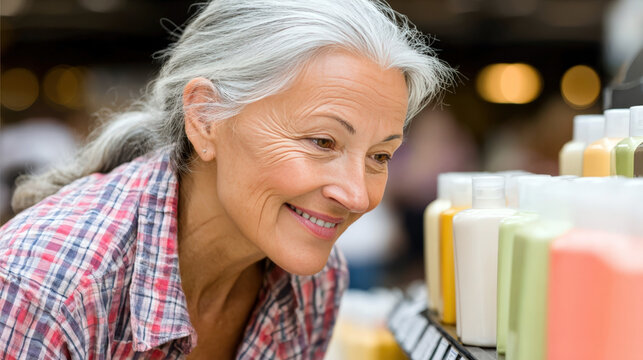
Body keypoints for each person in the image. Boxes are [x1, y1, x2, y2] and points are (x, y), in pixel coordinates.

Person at [0, 0, 453, 358]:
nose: (356, 194)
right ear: (205, 117)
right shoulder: (47, 291)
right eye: (322, 141)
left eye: (380, 156)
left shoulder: (314, 280)